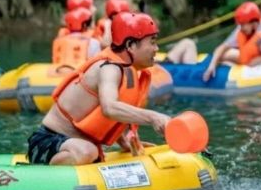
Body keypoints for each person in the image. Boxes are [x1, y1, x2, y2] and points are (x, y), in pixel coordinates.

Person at [27, 11, 171, 165]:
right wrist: (154, 117)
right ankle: (42, 172)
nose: (156, 48)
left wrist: (124, 142)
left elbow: (106, 116)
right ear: (130, 45)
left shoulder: (127, 70)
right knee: (88, 151)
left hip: (73, 144)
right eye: (152, 42)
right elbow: (109, 108)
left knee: (91, 151)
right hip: (47, 142)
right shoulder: (108, 68)